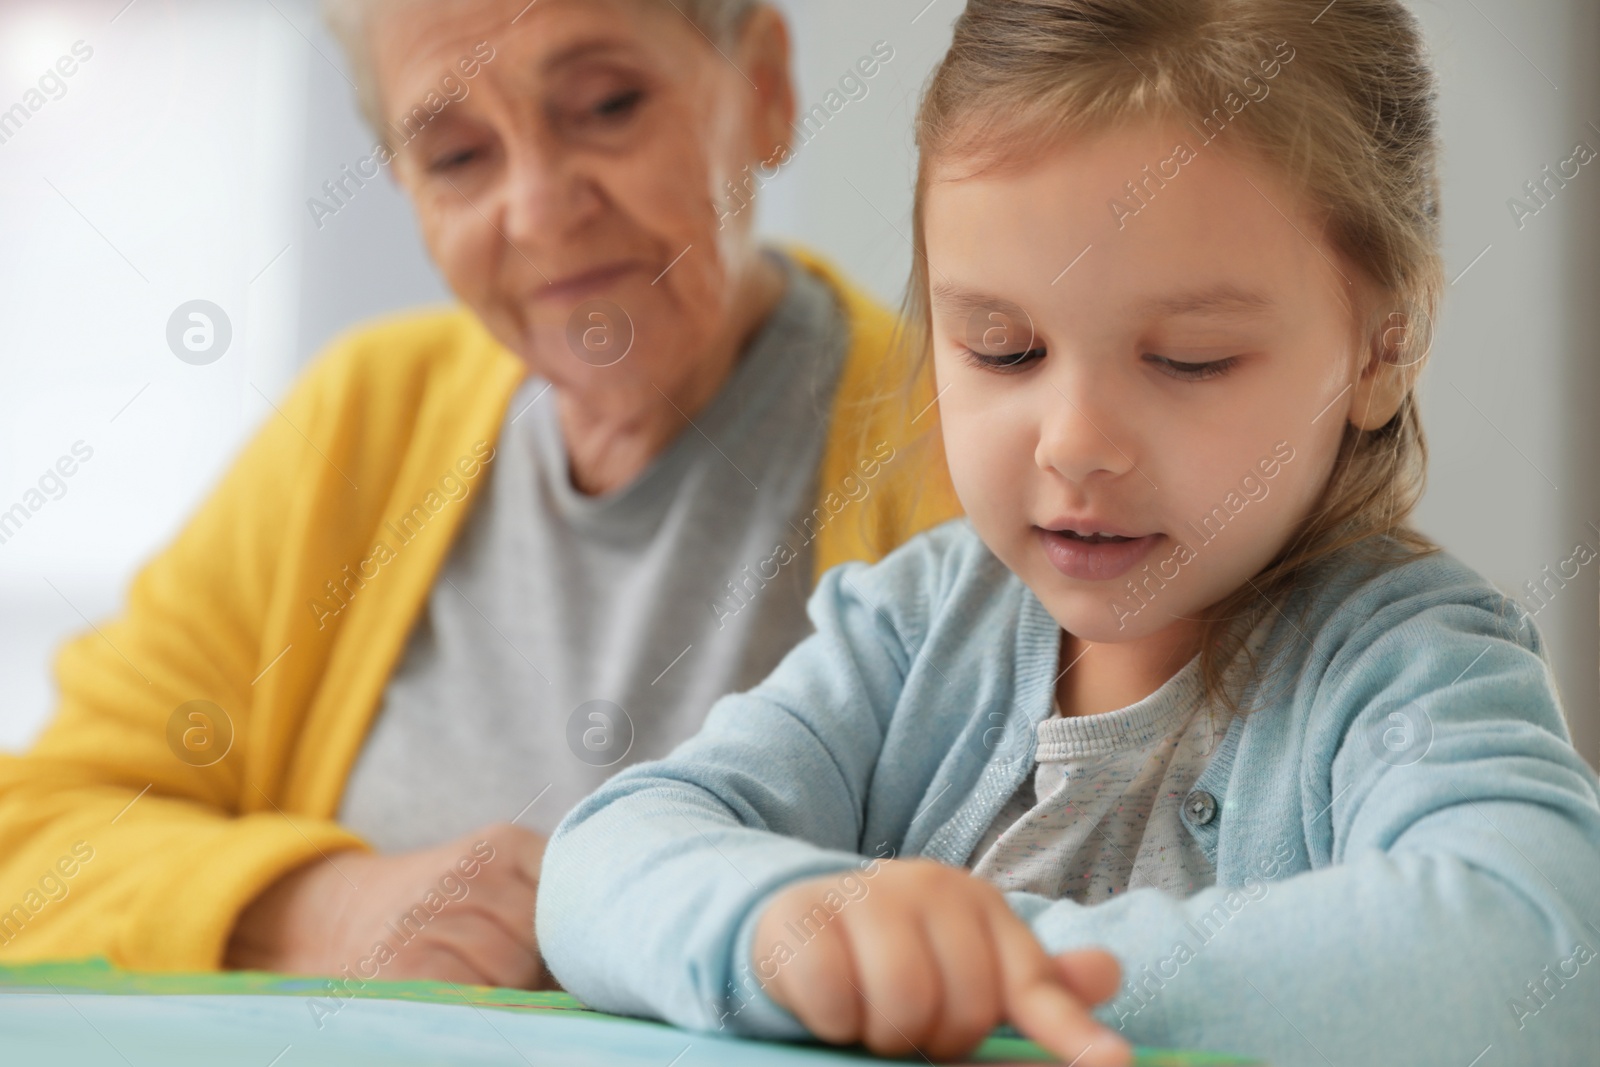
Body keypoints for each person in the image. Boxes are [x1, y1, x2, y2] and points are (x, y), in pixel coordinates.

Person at [535, 0, 1600, 1063]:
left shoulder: (1411, 668)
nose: (1076, 444)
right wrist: (787, 927)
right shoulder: (910, 633)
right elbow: (601, 860)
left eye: (1187, 358)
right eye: (1003, 349)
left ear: (1381, 351)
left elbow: (1542, 950)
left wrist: (1002, 963)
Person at [0, 0, 960, 989]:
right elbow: (34, 836)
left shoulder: (961, 459)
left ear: (763, 87)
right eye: (457, 157)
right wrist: (317, 908)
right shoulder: (360, 421)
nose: (540, 210)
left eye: (607, 105)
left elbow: (1054, 922)